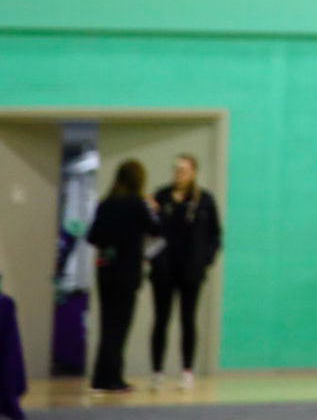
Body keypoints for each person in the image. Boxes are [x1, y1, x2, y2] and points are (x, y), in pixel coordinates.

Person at [148, 153, 222, 389]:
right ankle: (157, 371)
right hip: (164, 270)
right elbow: (149, 232)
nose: (178, 174)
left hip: (191, 271)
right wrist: (154, 260)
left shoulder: (205, 201)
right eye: (176, 169)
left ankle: (187, 370)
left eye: (183, 170)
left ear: (193, 173)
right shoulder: (161, 197)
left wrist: (204, 261)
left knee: (187, 319)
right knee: (161, 319)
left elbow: (215, 236)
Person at [88, 159, 157, 394]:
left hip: (105, 269)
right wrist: (153, 209)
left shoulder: (105, 203)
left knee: (107, 325)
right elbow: (156, 230)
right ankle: (113, 378)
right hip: (127, 272)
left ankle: (100, 377)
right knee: (120, 327)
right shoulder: (137, 204)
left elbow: (93, 236)